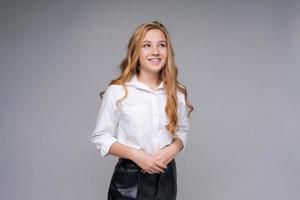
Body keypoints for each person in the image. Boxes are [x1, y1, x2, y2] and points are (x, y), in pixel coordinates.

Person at [91, 21, 193, 200]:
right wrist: (136, 155)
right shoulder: (118, 91)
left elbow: (182, 131)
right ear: (135, 51)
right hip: (129, 180)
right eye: (147, 45)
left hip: (166, 178)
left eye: (161, 45)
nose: (155, 52)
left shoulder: (177, 91)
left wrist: (173, 149)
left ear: (168, 51)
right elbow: (101, 136)